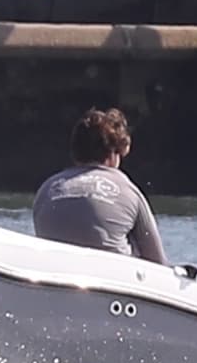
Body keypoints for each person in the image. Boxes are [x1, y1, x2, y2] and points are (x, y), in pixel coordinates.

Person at [33, 107, 168, 265]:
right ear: (113, 153)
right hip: (113, 280)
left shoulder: (47, 189)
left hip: (55, 275)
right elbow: (158, 262)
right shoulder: (128, 189)